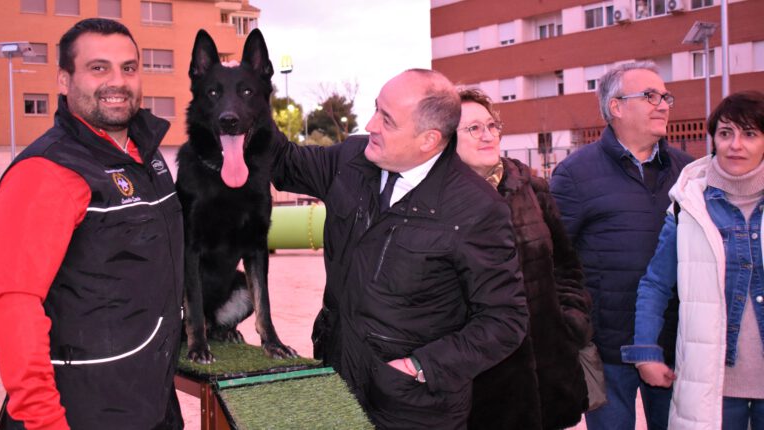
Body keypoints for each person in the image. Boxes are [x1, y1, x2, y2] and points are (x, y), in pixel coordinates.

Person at [269, 69, 528, 429]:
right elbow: (282, 161)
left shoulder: (477, 210)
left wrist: (422, 367)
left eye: (386, 119)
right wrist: (247, 92)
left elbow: (505, 320)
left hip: (413, 406)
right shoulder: (350, 161)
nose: (370, 124)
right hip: (335, 378)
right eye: (376, 109)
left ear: (428, 140)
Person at [0, 18, 184, 430]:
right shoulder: (47, 171)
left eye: (128, 68)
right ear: (63, 79)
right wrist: (44, 421)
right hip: (78, 413)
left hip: (149, 403)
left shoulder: (146, 154)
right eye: (98, 68)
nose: (118, 81)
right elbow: (14, 307)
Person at [549, 61, 694, 430]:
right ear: (616, 107)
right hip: (606, 349)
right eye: (649, 96)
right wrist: (574, 328)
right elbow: (555, 260)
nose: (662, 104)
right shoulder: (575, 174)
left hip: (674, 343)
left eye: (665, 96)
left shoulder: (689, 173)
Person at [621, 91, 764, 429]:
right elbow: (656, 284)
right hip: (712, 386)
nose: (736, 145)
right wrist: (645, 350)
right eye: (726, 133)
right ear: (713, 138)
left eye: (750, 134)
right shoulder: (688, 204)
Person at [456, 88, 592, 429]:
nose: (488, 135)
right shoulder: (436, 201)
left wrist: (570, 321)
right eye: (473, 128)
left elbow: (566, 265)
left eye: (491, 125)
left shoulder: (532, 188)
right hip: (481, 383)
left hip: (549, 370)